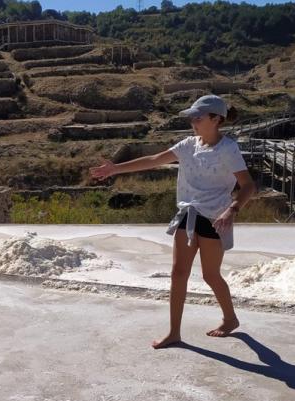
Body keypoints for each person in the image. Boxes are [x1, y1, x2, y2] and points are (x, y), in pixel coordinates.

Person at [90, 95, 256, 349]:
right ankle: (174, 333)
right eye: (192, 117)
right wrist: (115, 169)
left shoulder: (228, 149)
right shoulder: (189, 144)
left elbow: (247, 185)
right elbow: (155, 159)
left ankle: (230, 318)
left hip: (215, 218)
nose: (193, 121)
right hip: (187, 215)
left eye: (197, 117)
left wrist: (232, 210)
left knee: (211, 275)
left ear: (215, 119)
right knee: (178, 273)